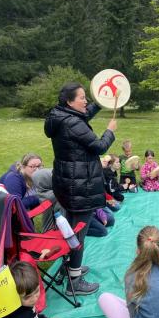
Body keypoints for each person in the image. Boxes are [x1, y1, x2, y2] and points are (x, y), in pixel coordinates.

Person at [44, 82, 116, 295]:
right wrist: (110, 132)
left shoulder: (60, 116)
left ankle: (70, 269)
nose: (86, 101)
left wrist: (100, 103)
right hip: (79, 186)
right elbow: (99, 147)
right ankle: (74, 281)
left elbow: (83, 116)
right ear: (69, 102)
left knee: (72, 228)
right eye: (82, 98)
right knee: (78, 233)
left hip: (67, 183)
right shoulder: (72, 123)